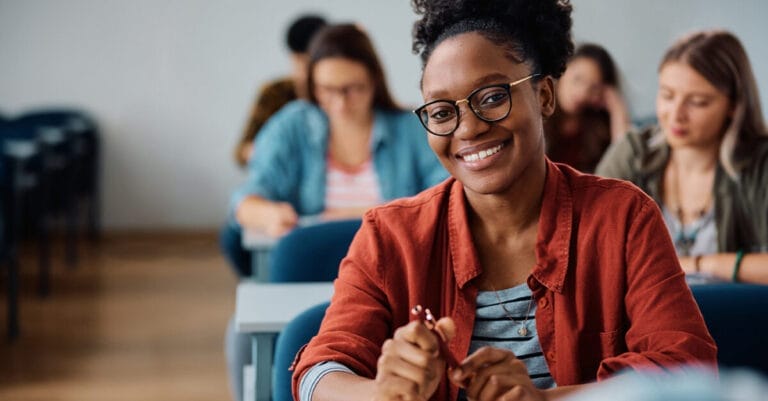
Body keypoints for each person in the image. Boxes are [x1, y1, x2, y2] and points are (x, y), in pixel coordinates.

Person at [292, 1, 716, 401]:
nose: (468, 128)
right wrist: (378, 392)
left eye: (493, 96)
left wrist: (545, 399)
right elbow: (317, 372)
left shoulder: (623, 218)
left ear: (545, 96)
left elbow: (687, 370)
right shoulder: (390, 235)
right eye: (442, 112)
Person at [223, 22, 448, 401]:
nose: (340, 102)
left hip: (394, 277)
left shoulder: (409, 129)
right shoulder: (292, 124)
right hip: (311, 269)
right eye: (327, 90)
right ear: (312, 87)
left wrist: (347, 214)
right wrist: (271, 215)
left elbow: (447, 194)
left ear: (374, 82)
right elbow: (245, 198)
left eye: (352, 89)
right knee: (242, 336)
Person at [596, 29, 768, 285]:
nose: (675, 115)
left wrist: (698, 264)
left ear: (734, 105)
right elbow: (583, 244)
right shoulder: (633, 153)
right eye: (667, 95)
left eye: (697, 102)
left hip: (732, 319)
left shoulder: (760, 162)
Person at [233, 14, 327, 168]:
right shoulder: (274, 92)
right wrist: (270, 150)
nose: (304, 72)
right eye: (299, 61)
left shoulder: (335, 96)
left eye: (310, 62)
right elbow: (241, 152)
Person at [544, 43, 630, 173]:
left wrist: (617, 110)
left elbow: (624, 166)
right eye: (577, 79)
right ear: (562, 70)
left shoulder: (595, 131)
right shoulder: (538, 114)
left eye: (593, 87)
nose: (582, 92)